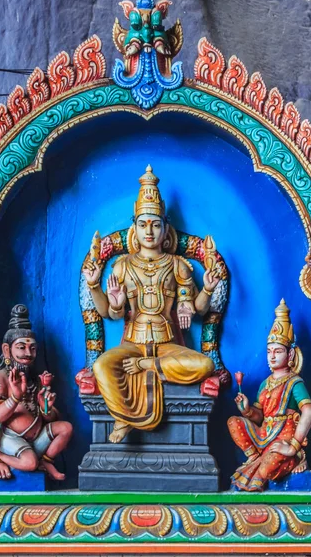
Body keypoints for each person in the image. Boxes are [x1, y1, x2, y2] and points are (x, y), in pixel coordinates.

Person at [82, 165, 220, 443]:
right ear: (134, 227)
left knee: (204, 365)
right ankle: (125, 417)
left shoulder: (178, 265)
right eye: (143, 224)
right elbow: (108, 312)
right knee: (101, 367)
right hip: (131, 342)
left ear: (165, 228)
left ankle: (149, 366)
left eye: (156, 224)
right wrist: (97, 287)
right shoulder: (122, 266)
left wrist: (205, 289)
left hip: (167, 345)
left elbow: (197, 308)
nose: (149, 231)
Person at [227, 299, 311, 491]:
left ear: (290, 355)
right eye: (269, 351)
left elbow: (308, 413)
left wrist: (292, 447)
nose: (272, 356)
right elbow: (260, 416)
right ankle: (254, 457)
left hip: (284, 437)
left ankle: (296, 458)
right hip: (264, 435)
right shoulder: (265, 384)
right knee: (234, 422)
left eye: (278, 351)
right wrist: (248, 410)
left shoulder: (294, 383)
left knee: (266, 471)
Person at [0, 304, 73, 480]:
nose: (28, 353)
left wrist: (46, 407)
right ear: (7, 350)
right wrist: (15, 396)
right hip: (10, 440)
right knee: (30, 463)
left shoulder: (34, 380)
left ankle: (46, 460)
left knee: (66, 428)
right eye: (21, 347)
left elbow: (50, 418)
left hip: (34, 440)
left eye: (32, 348)